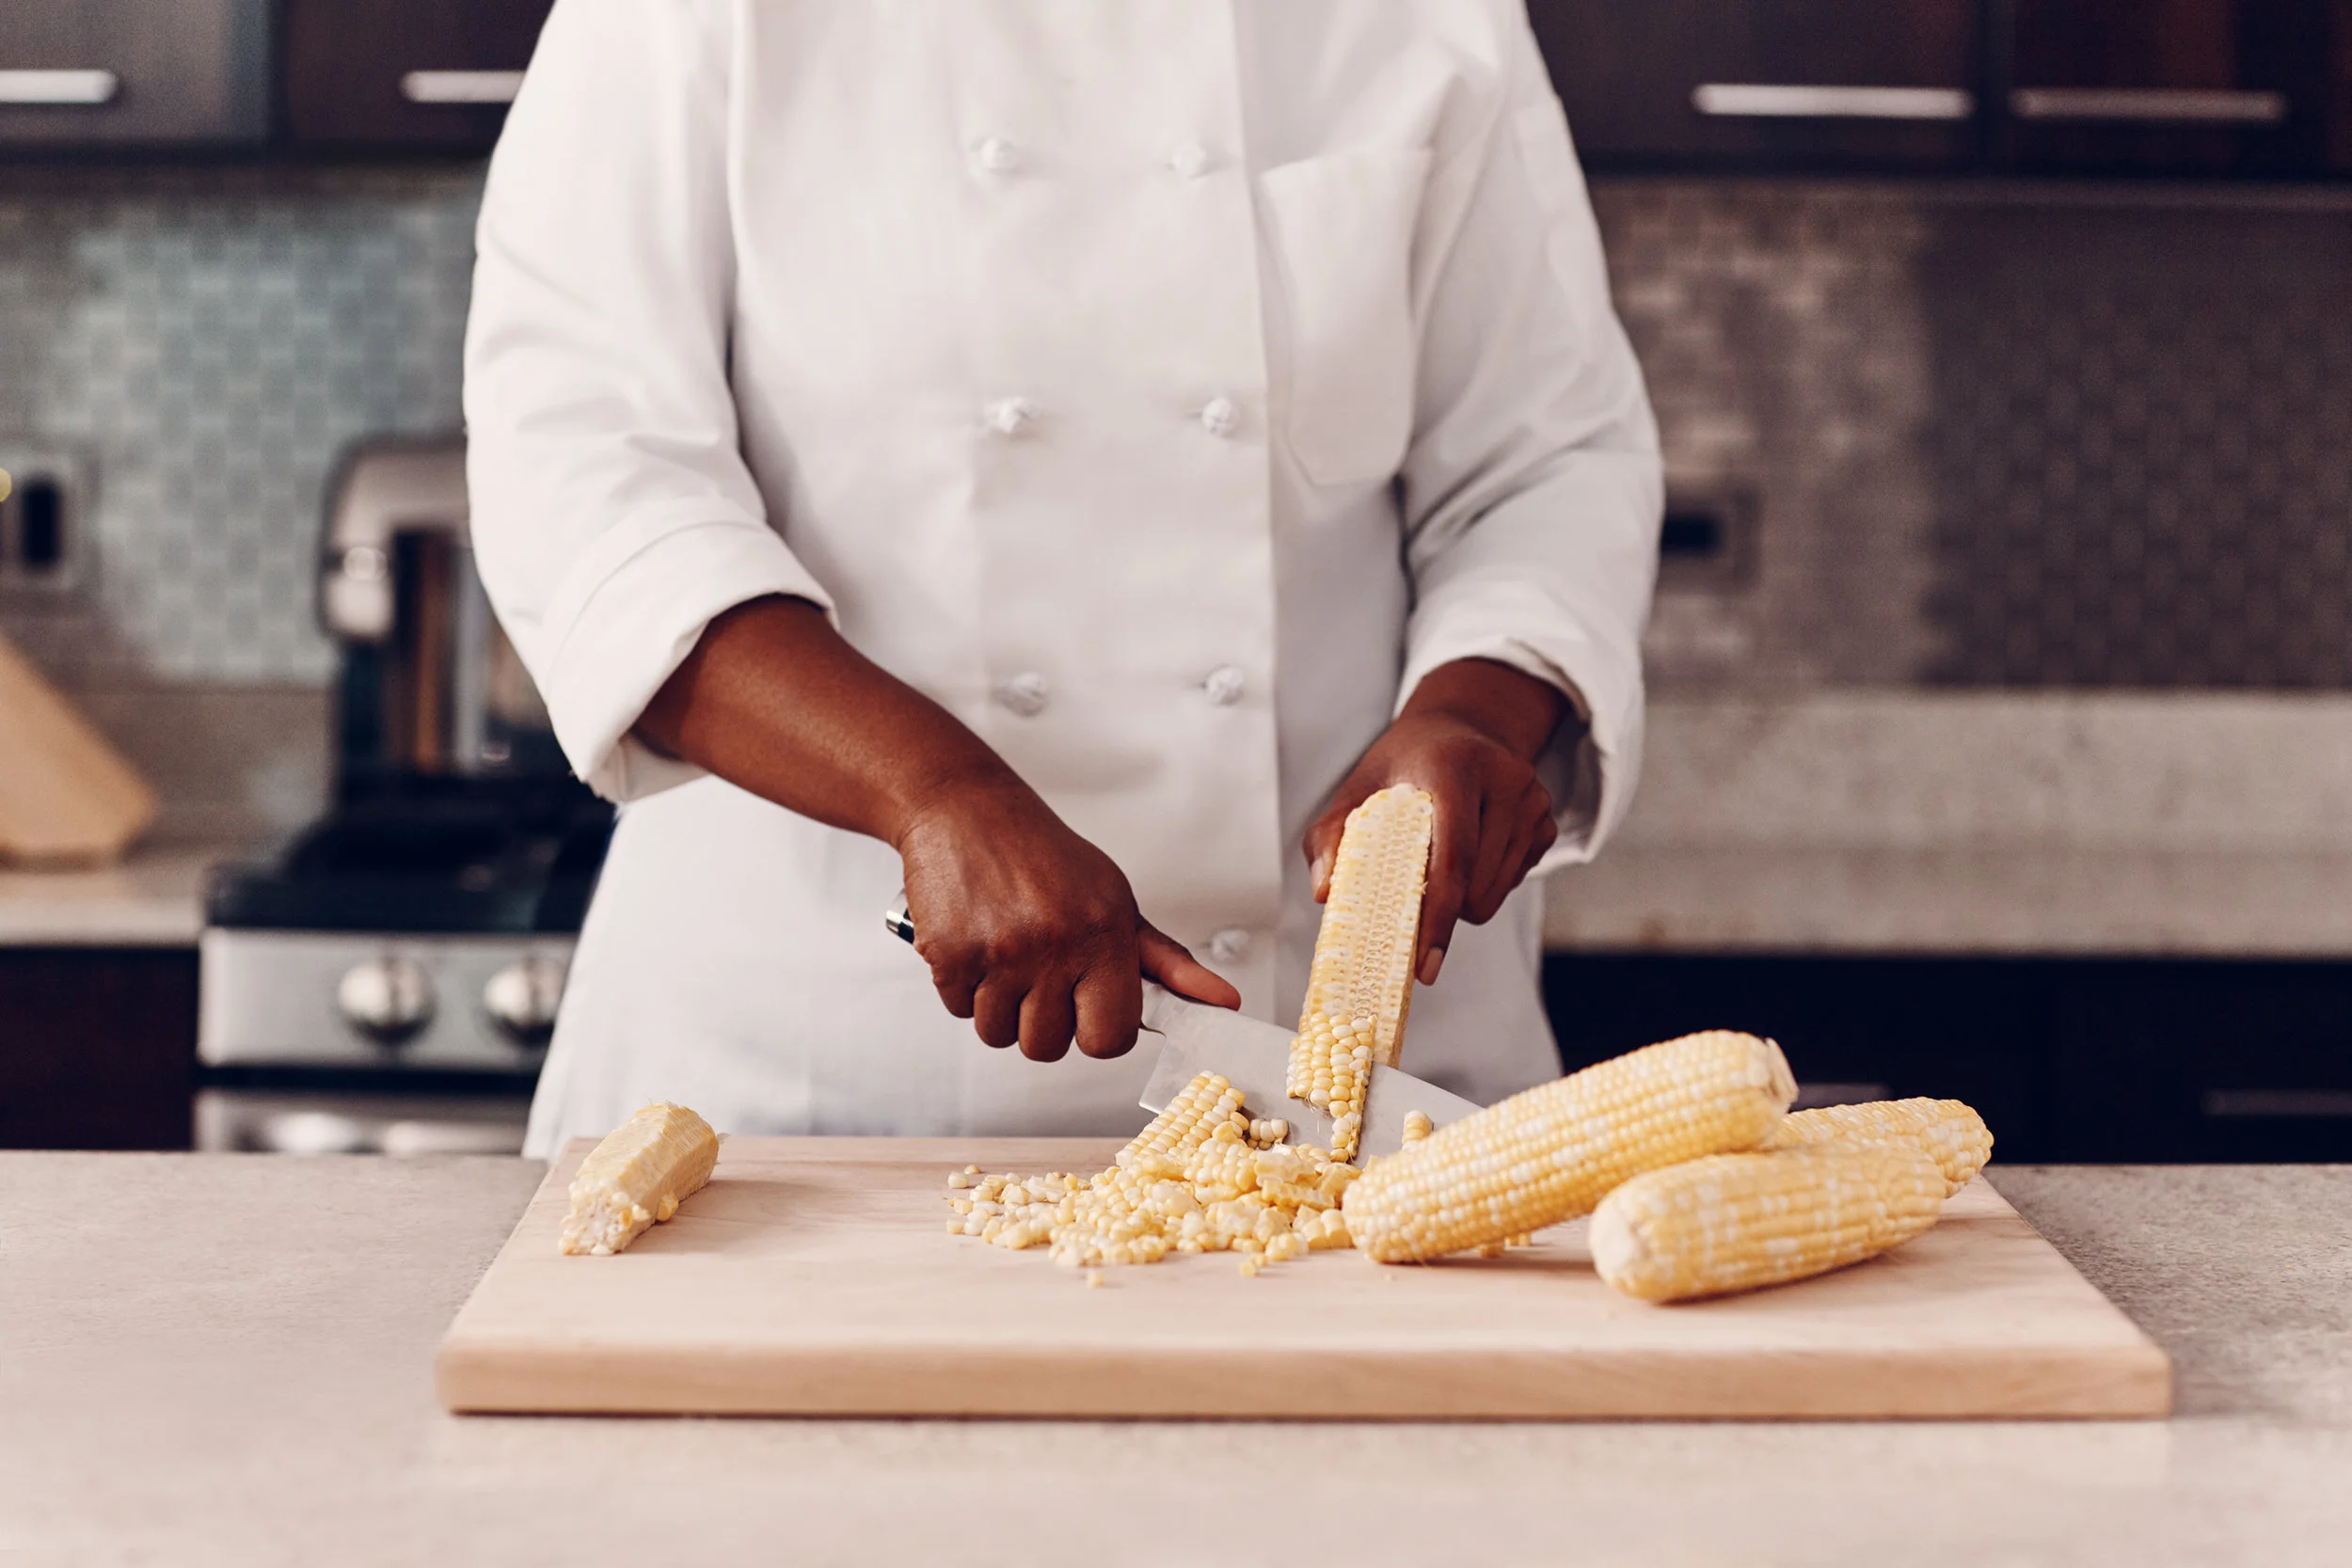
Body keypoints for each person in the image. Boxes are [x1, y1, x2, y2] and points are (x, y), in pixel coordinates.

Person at [463, 0, 1661, 1158]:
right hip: (814, 1093)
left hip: (1361, 1081)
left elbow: (1547, 459)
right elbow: (589, 489)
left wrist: (1473, 709)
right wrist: (931, 789)